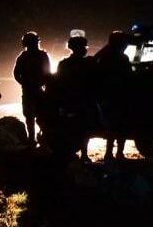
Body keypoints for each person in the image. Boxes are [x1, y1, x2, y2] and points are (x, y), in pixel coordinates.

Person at [55, 30, 95, 162]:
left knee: (77, 129)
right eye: (83, 47)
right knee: (83, 129)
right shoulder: (87, 63)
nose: (85, 49)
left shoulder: (64, 64)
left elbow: (59, 83)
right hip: (79, 101)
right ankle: (81, 153)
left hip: (72, 101)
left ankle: (76, 153)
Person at [94, 30, 132, 161]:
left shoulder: (105, 57)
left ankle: (111, 153)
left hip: (108, 97)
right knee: (119, 126)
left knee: (112, 126)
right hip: (115, 97)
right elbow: (128, 77)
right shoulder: (121, 58)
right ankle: (116, 153)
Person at [13, 31, 51, 145]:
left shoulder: (26, 57)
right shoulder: (28, 57)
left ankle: (38, 139)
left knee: (37, 117)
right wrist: (25, 83)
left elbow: (16, 74)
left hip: (35, 90)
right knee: (33, 117)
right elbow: (16, 74)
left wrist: (25, 83)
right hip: (32, 90)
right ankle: (34, 139)